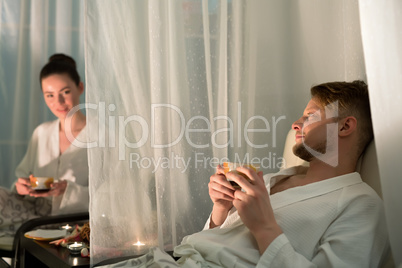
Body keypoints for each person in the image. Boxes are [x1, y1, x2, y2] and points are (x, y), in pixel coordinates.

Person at [98, 80, 389, 268]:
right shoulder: (279, 178)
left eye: (310, 116)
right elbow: (217, 245)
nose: (295, 124)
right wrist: (220, 211)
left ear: (345, 127)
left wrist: (265, 227)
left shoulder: (361, 204)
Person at [0, 54, 88, 236]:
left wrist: (69, 190)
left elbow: (113, 192)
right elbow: (21, 179)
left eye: (65, 92)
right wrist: (21, 186)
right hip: (35, 215)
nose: (58, 102)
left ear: (80, 87)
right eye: (50, 95)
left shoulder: (101, 135)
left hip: (75, 219)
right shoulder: (42, 132)